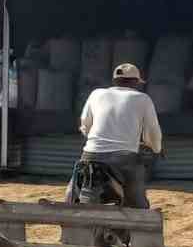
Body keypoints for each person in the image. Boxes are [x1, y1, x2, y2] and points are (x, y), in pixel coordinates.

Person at [68, 63, 163, 214]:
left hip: (91, 154)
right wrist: (156, 148)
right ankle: (140, 216)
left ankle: (70, 209)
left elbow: (85, 124)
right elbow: (153, 131)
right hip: (123, 158)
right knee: (136, 198)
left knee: (75, 188)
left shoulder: (96, 94)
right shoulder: (143, 99)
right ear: (136, 82)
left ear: (114, 81)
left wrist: (94, 140)